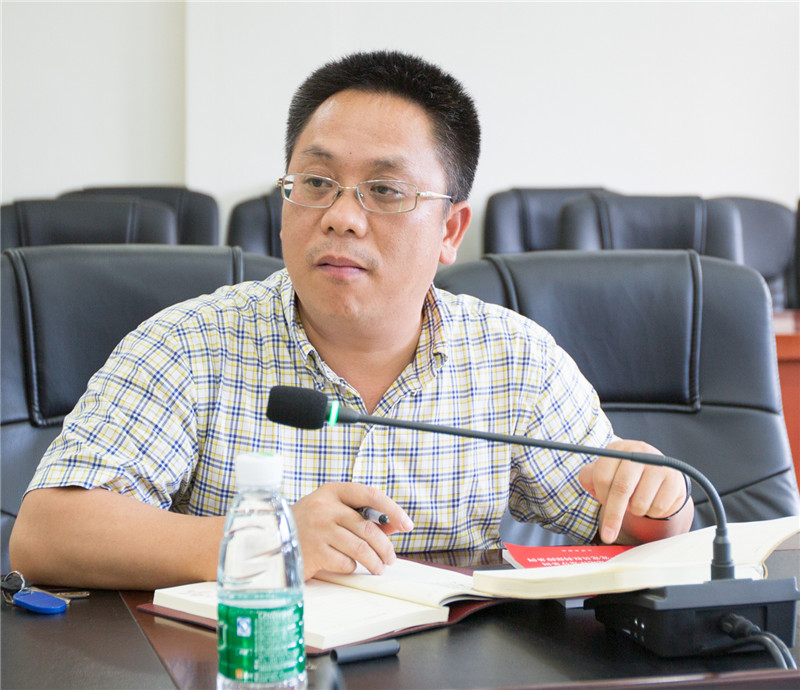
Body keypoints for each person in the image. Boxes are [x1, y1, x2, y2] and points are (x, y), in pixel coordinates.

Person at [10, 51, 693, 589]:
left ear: (451, 230)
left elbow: (634, 529)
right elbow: (48, 534)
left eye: (385, 191)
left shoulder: (513, 358)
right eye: (316, 183)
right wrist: (266, 541)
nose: (341, 216)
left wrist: (660, 497)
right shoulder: (189, 343)